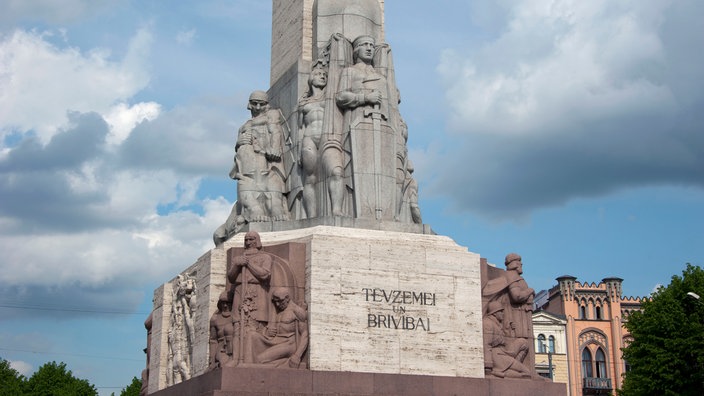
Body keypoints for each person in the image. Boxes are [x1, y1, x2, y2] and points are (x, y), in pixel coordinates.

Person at [229, 91, 288, 222]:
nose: (257, 107)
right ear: (249, 105)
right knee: (248, 191)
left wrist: (274, 148)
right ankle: (254, 210)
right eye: (254, 103)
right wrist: (240, 142)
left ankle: (275, 210)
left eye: (261, 104)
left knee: (275, 202)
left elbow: (275, 132)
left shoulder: (271, 116)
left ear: (266, 105)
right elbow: (238, 148)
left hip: (267, 163)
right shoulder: (243, 127)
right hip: (248, 167)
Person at [298, 64, 345, 217]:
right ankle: (311, 216)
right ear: (311, 79)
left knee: (336, 172)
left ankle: (336, 210)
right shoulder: (303, 102)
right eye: (318, 74)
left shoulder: (330, 96)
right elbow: (299, 128)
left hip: (328, 137)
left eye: (324, 74)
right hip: (309, 138)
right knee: (310, 179)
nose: (322, 76)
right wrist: (299, 150)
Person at [244, 287, 308, 367]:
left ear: (287, 298)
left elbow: (305, 334)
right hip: (274, 340)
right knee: (251, 335)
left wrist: (297, 356)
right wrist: (266, 332)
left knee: (260, 359)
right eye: (275, 301)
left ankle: (276, 365)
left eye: (280, 301)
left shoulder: (297, 311)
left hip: (288, 343)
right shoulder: (279, 310)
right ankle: (247, 364)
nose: (277, 304)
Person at [483, 301, 531, 378]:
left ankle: (513, 367)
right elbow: (486, 345)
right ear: (495, 313)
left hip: (504, 352)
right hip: (497, 356)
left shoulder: (496, 323)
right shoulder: (487, 323)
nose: (503, 313)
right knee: (526, 372)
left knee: (523, 342)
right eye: (501, 311)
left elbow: (503, 340)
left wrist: (510, 331)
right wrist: (488, 365)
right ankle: (499, 373)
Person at [208, 291, 236, 369]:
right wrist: (212, 361)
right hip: (222, 349)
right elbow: (213, 341)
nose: (225, 305)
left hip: (235, 348)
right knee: (224, 365)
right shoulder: (215, 319)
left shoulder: (236, 316)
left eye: (228, 303)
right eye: (223, 303)